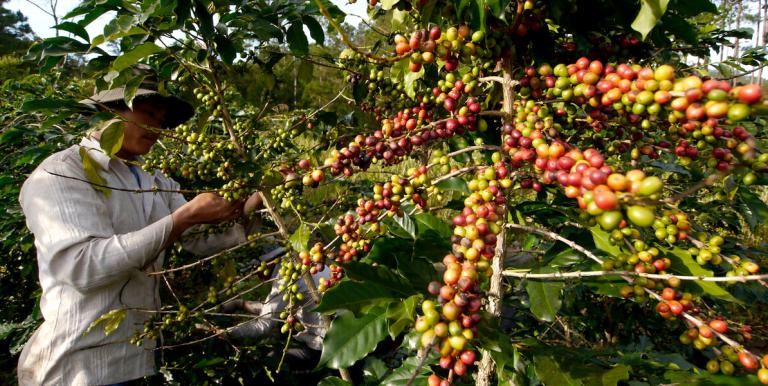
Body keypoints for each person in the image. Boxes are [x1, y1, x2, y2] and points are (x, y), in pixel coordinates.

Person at [17, 67, 258, 385]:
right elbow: (82, 266)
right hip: (79, 367)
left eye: (161, 119)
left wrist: (259, 200)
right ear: (108, 112)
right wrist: (182, 217)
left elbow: (200, 239)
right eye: (147, 113)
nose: (156, 126)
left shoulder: (153, 179)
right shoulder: (61, 174)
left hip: (134, 361)